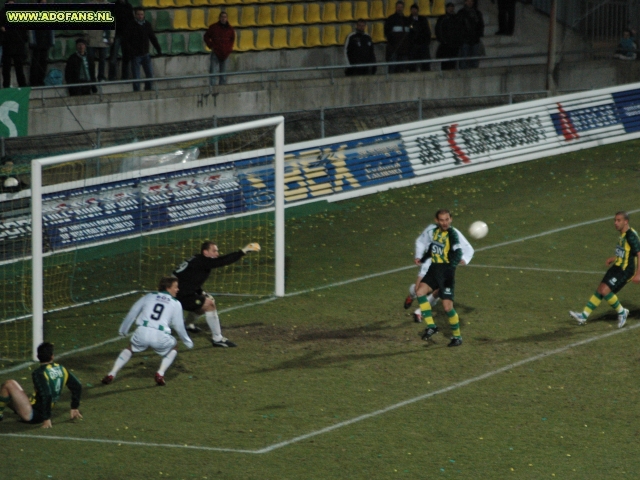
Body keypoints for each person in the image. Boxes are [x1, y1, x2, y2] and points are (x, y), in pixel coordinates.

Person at [101, 276, 193, 386]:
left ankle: (112, 373)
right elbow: (178, 325)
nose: (178, 290)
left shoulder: (149, 296)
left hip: (142, 332)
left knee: (130, 348)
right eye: (176, 287)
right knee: (174, 346)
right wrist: (187, 341)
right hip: (160, 335)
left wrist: (123, 329)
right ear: (168, 287)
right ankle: (160, 373)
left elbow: (133, 311)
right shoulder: (175, 303)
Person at [173, 241, 261, 348]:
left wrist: (200, 292)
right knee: (209, 304)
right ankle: (217, 339)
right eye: (214, 251)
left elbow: (188, 278)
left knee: (205, 300)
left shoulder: (198, 259)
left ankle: (187, 325)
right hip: (179, 295)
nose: (217, 254)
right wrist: (242, 252)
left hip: (178, 292)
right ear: (205, 252)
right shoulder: (203, 262)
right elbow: (223, 261)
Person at [570, 211, 640, 328]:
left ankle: (622, 312)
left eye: (619, 220)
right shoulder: (623, 234)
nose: (616, 223)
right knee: (600, 289)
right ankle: (584, 315)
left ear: (626, 221)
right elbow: (627, 252)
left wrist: (638, 273)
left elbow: (639, 253)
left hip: (625, 270)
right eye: (615, 220)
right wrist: (614, 258)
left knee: (605, 290)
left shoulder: (630, 236)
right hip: (617, 266)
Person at [404, 220, 474, 322]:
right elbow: (420, 241)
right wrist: (419, 256)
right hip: (429, 263)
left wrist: (464, 258)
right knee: (418, 290)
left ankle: (420, 312)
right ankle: (411, 295)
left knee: (439, 290)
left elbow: (468, 248)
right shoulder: (430, 229)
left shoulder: (453, 232)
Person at [0, 342, 83, 427]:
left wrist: (46, 418)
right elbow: (77, 386)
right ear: (52, 356)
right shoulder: (62, 369)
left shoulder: (39, 373)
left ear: (38, 357)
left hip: (34, 414)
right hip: (38, 410)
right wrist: (74, 407)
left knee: (9, 384)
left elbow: (47, 394)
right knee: (5, 395)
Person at [414, 209, 464, 347]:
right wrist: (423, 258)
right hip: (433, 269)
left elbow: (458, 252)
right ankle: (431, 326)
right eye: (442, 220)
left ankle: (457, 337)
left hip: (446, 273)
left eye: (447, 219)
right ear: (437, 221)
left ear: (451, 219)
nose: (444, 222)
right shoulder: (435, 232)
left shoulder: (452, 234)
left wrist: (452, 266)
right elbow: (432, 247)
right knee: (420, 292)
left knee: (447, 307)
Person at [126, 7, 161, 92]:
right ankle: (137, 92)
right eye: (138, 14)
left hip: (145, 53)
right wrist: (131, 52)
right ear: (135, 15)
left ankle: (148, 90)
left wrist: (158, 49)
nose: (140, 16)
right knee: (136, 77)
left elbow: (152, 38)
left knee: (150, 74)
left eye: (141, 14)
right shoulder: (131, 25)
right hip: (136, 55)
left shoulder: (147, 25)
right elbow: (126, 40)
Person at [203, 11, 235, 86]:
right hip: (216, 52)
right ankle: (212, 88)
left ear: (227, 18)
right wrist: (211, 46)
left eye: (225, 17)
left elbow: (232, 40)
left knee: (223, 73)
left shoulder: (230, 29)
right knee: (213, 72)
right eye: (222, 17)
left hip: (225, 53)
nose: (223, 19)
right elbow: (206, 37)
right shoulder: (214, 27)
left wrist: (229, 49)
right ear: (219, 18)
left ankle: (222, 89)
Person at [1, 0, 28, 89]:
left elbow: (24, 31)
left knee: (19, 68)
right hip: (7, 45)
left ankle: (22, 85)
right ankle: (6, 86)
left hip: (18, 46)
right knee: (6, 68)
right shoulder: (2, 13)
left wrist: (24, 40)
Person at [28, 0, 55, 87]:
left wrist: (51, 41)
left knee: (43, 63)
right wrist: (32, 42)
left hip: (45, 42)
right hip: (36, 43)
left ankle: (41, 80)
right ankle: (34, 81)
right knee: (35, 63)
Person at [86, 0, 112, 82]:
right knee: (90, 60)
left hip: (104, 37)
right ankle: (92, 77)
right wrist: (85, 34)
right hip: (92, 37)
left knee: (103, 60)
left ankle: (101, 77)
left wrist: (111, 36)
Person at [108, 0, 134, 80]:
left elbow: (131, 20)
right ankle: (112, 77)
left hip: (126, 36)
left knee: (126, 57)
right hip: (116, 35)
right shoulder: (114, 5)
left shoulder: (129, 6)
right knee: (113, 58)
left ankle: (125, 77)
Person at [384, 0, 411, 74]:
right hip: (393, 49)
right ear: (396, 8)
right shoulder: (391, 19)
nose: (399, 8)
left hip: (404, 49)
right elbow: (387, 33)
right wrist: (393, 44)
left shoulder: (406, 20)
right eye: (398, 7)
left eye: (401, 7)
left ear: (403, 8)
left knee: (403, 69)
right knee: (392, 69)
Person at [457, 0, 484, 69]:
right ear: (465, 2)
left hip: (475, 40)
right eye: (468, 1)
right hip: (465, 40)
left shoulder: (477, 13)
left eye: (471, 1)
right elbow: (459, 27)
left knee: (474, 60)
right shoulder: (461, 13)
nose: (470, 3)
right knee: (464, 60)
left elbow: (480, 25)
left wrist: (478, 35)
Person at [435, 2, 461, 70]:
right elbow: (438, 30)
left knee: (453, 62)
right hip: (445, 45)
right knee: (445, 63)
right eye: (449, 8)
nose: (451, 9)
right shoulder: (442, 18)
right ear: (446, 9)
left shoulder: (456, 18)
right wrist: (444, 41)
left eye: (452, 8)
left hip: (454, 44)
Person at [407, 4, 431, 72]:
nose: (414, 11)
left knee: (425, 63)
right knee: (413, 64)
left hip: (423, 44)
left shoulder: (423, 19)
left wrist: (426, 41)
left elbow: (427, 31)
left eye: (415, 9)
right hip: (413, 45)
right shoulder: (408, 20)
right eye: (412, 9)